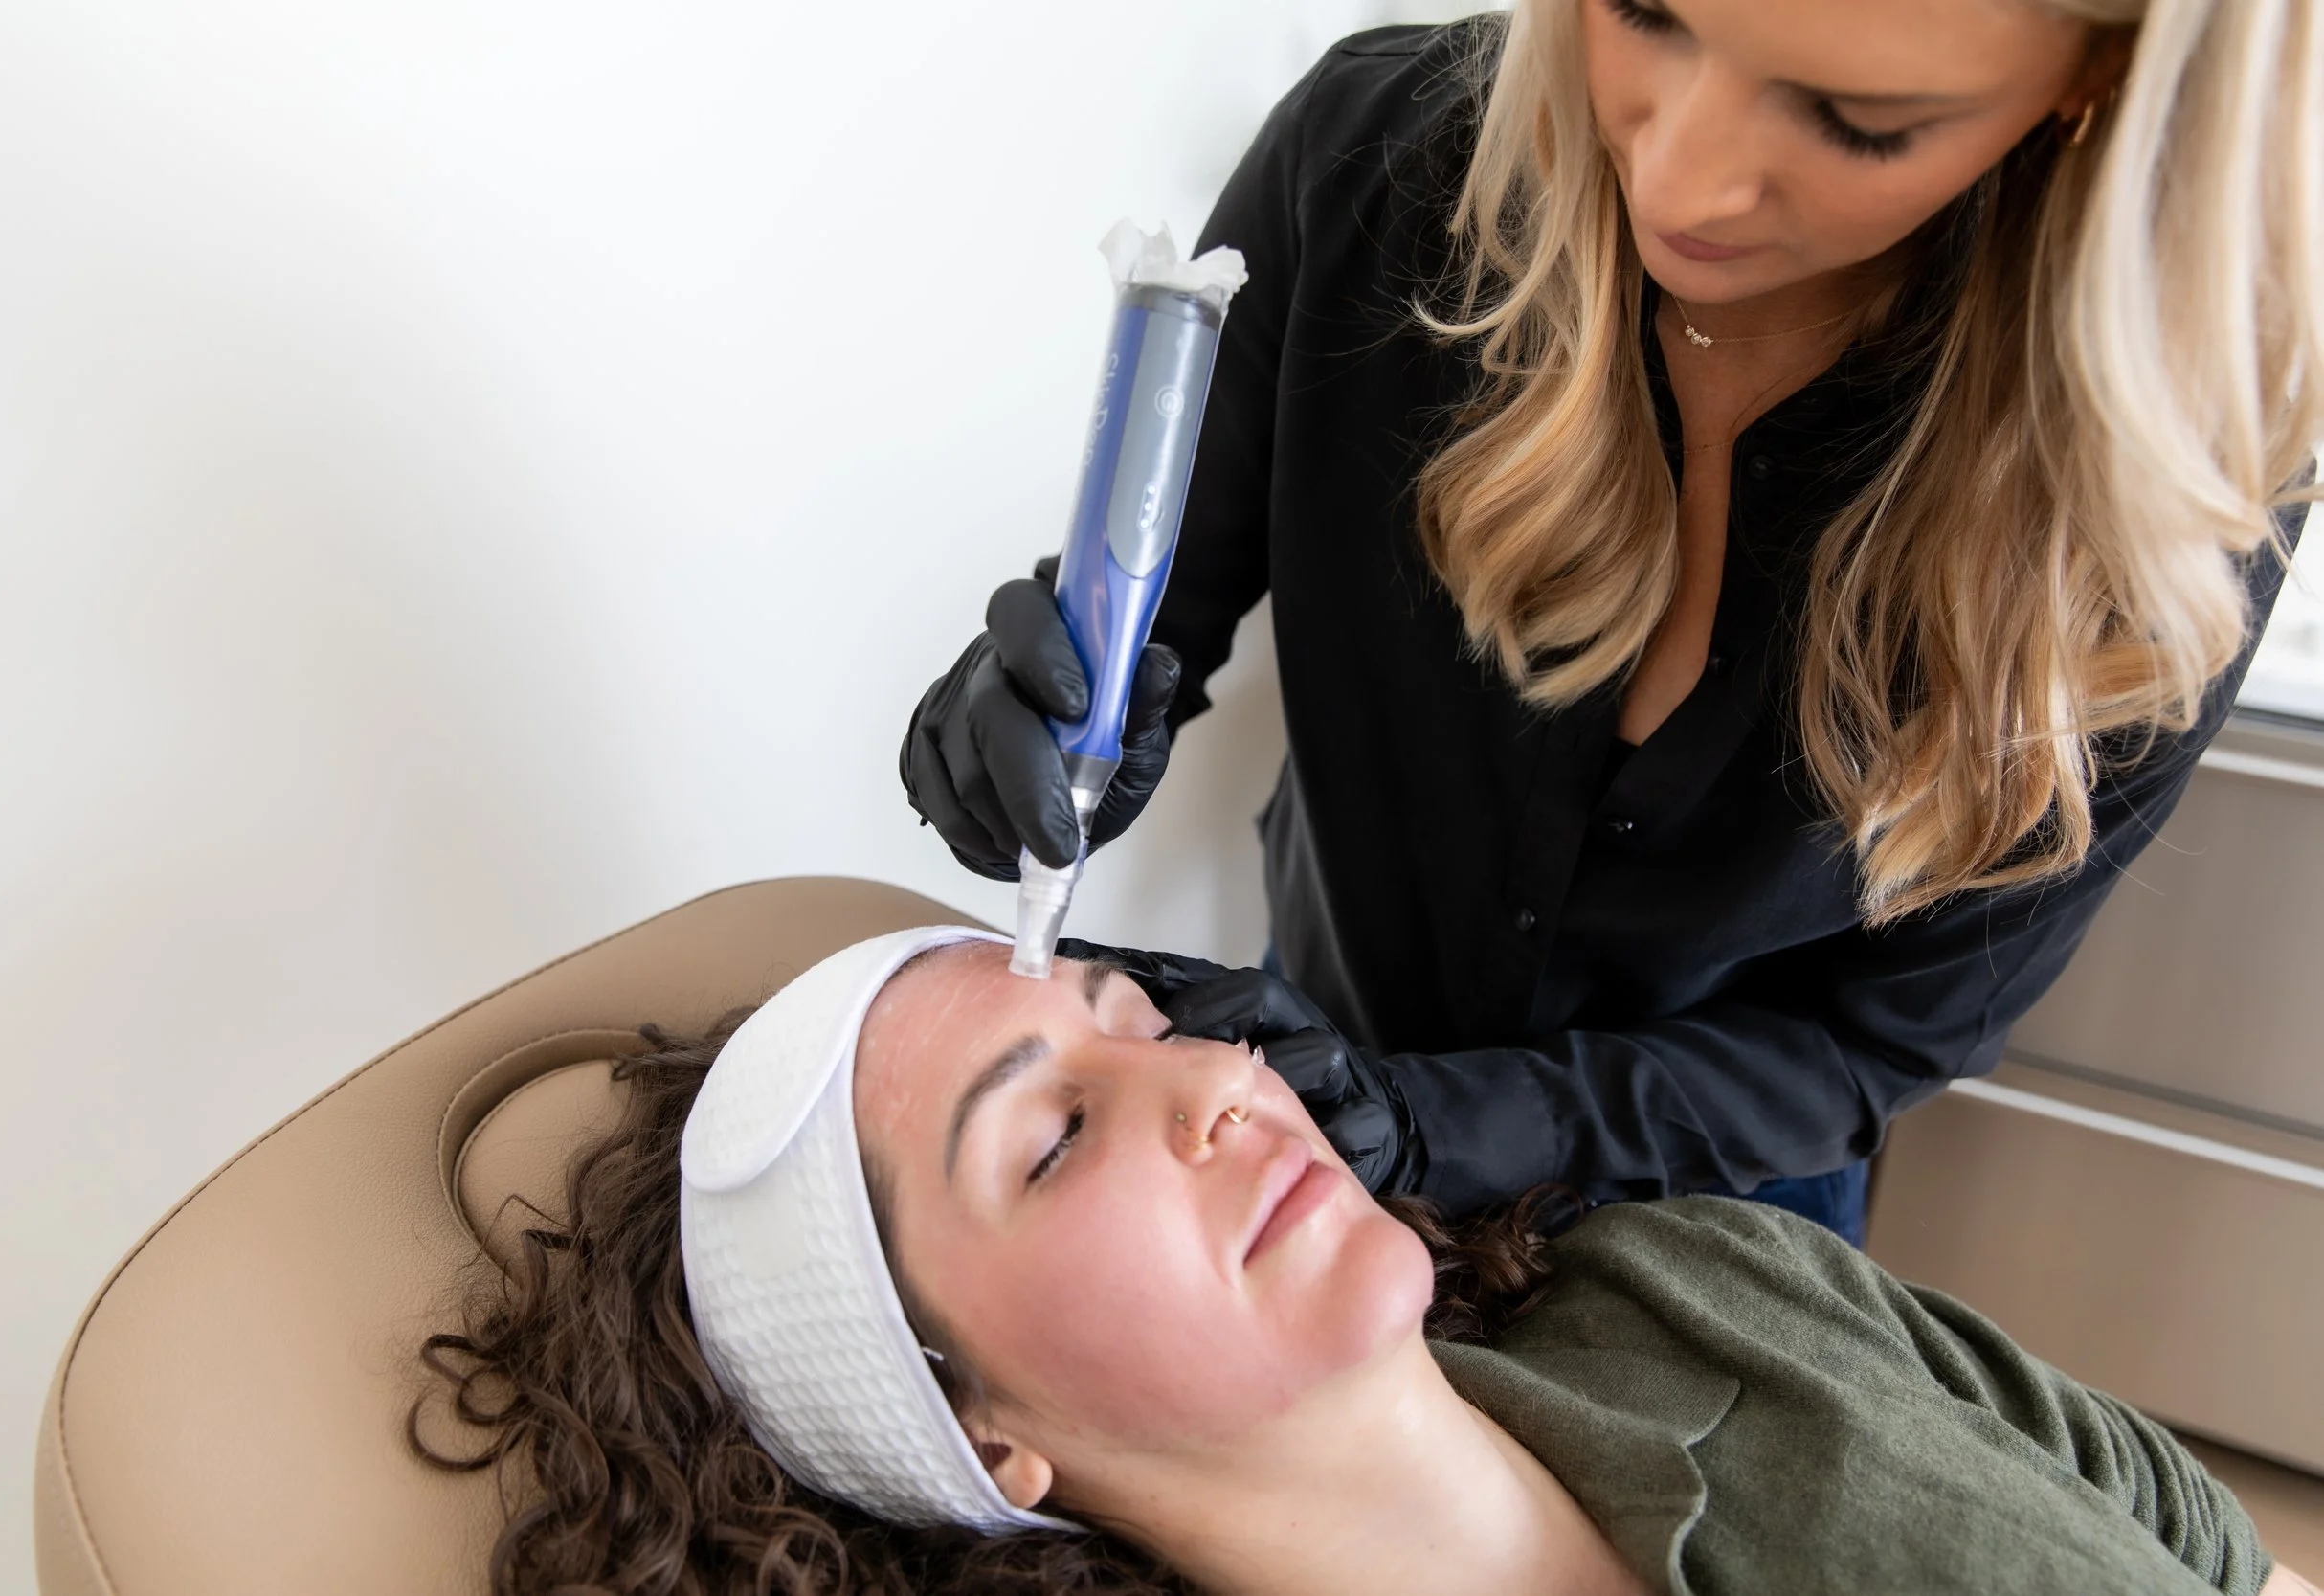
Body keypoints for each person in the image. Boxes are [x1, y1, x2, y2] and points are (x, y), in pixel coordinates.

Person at [898, 0, 2322, 1244]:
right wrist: (1022, 716)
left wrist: (1439, 1123)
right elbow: (1155, 599)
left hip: (1720, 1214)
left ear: (2096, 80)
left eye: (1856, 119)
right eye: (1643, 7)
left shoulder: (2170, 486)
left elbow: (1872, 1040)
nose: (1681, 173)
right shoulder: (1370, 169)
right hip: (1320, 1054)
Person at [414, 931, 2313, 1596]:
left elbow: (2194, 1535)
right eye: (1053, 1130)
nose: (1220, 1081)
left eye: (1135, 1015)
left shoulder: (1703, 1274)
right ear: (980, 1426)